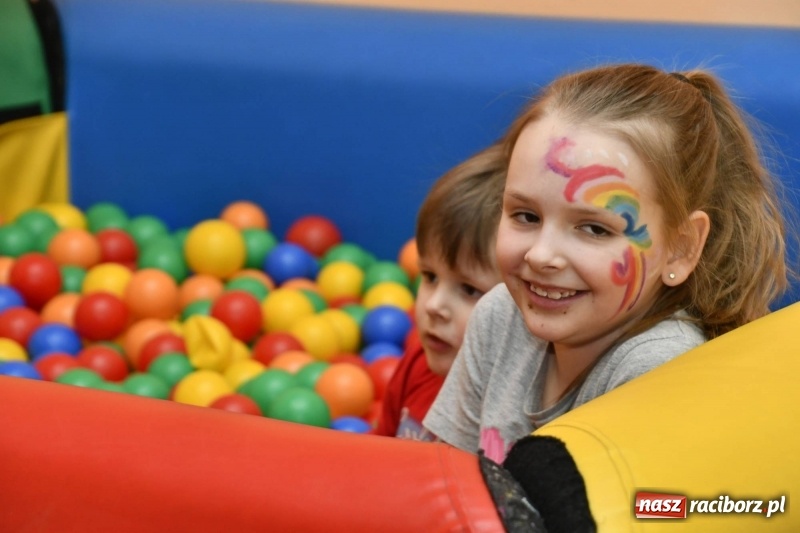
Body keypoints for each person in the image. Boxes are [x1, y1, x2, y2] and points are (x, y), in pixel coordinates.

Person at [423, 63, 790, 463]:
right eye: (525, 216)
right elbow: (440, 486)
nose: (541, 254)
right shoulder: (499, 315)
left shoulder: (658, 368)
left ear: (681, 248)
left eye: (594, 229)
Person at [373, 143, 505, 439]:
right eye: (430, 276)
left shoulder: (510, 413)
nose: (433, 305)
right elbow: (376, 458)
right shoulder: (416, 365)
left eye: (470, 290)